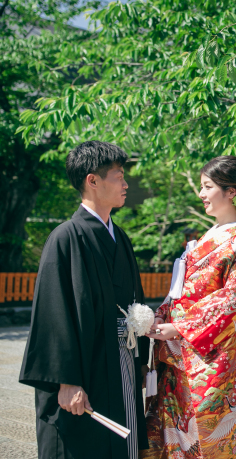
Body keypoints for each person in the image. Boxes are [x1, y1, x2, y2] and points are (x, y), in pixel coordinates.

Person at [19, 141, 149, 459]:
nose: (126, 183)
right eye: (118, 176)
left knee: (123, 444)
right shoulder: (65, 237)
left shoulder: (121, 237)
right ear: (92, 180)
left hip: (121, 363)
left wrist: (141, 361)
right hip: (85, 370)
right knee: (82, 445)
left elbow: (134, 300)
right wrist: (66, 380)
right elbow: (53, 314)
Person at [143, 156, 236, 459]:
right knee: (178, 427)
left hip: (214, 355)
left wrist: (181, 327)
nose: (201, 194)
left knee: (216, 434)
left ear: (231, 192)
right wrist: (161, 314)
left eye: (207, 186)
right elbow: (180, 291)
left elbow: (234, 300)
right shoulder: (207, 237)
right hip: (180, 350)